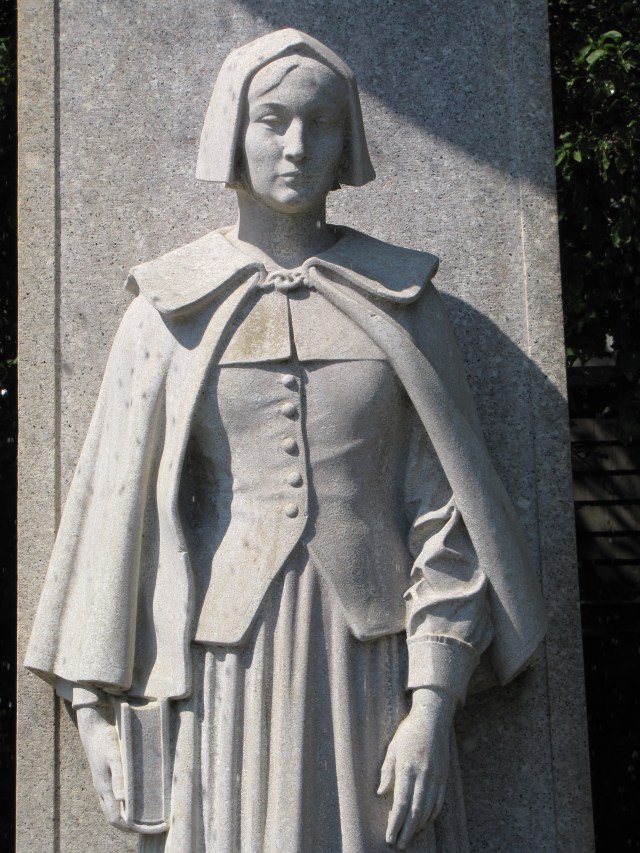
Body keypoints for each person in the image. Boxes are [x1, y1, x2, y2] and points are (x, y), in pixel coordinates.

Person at [26, 28, 547, 853]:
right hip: (223, 668)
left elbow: (446, 513)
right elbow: (111, 512)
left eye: (321, 124)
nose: (297, 145)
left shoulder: (405, 300)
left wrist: (431, 703)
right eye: (273, 120)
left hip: (371, 664)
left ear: (349, 145)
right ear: (231, 130)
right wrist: (96, 707)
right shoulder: (168, 308)